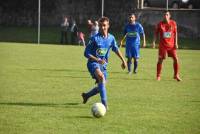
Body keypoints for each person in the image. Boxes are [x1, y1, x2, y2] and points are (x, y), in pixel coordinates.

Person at [82, 17, 127, 109]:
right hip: (93, 63)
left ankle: (86, 95)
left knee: (101, 87)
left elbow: (116, 49)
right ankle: (104, 104)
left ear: (108, 26)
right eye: (101, 25)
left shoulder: (111, 38)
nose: (102, 27)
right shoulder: (94, 38)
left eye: (104, 25)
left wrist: (123, 60)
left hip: (103, 65)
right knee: (101, 78)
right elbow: (86, 53)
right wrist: (97, 60)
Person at [152, 11, 182, 81]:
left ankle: (176, 75)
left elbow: (175, 33)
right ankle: (158, 76)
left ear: (169, 16)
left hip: (171, 45)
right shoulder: (160, 24)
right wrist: (153, 42)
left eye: (167, 14)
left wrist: (176, 43)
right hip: (163, 46)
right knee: (160, 60)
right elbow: (155, 33)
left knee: (176, 59)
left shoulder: (173, 23)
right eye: (164, 15)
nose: (165, 15)